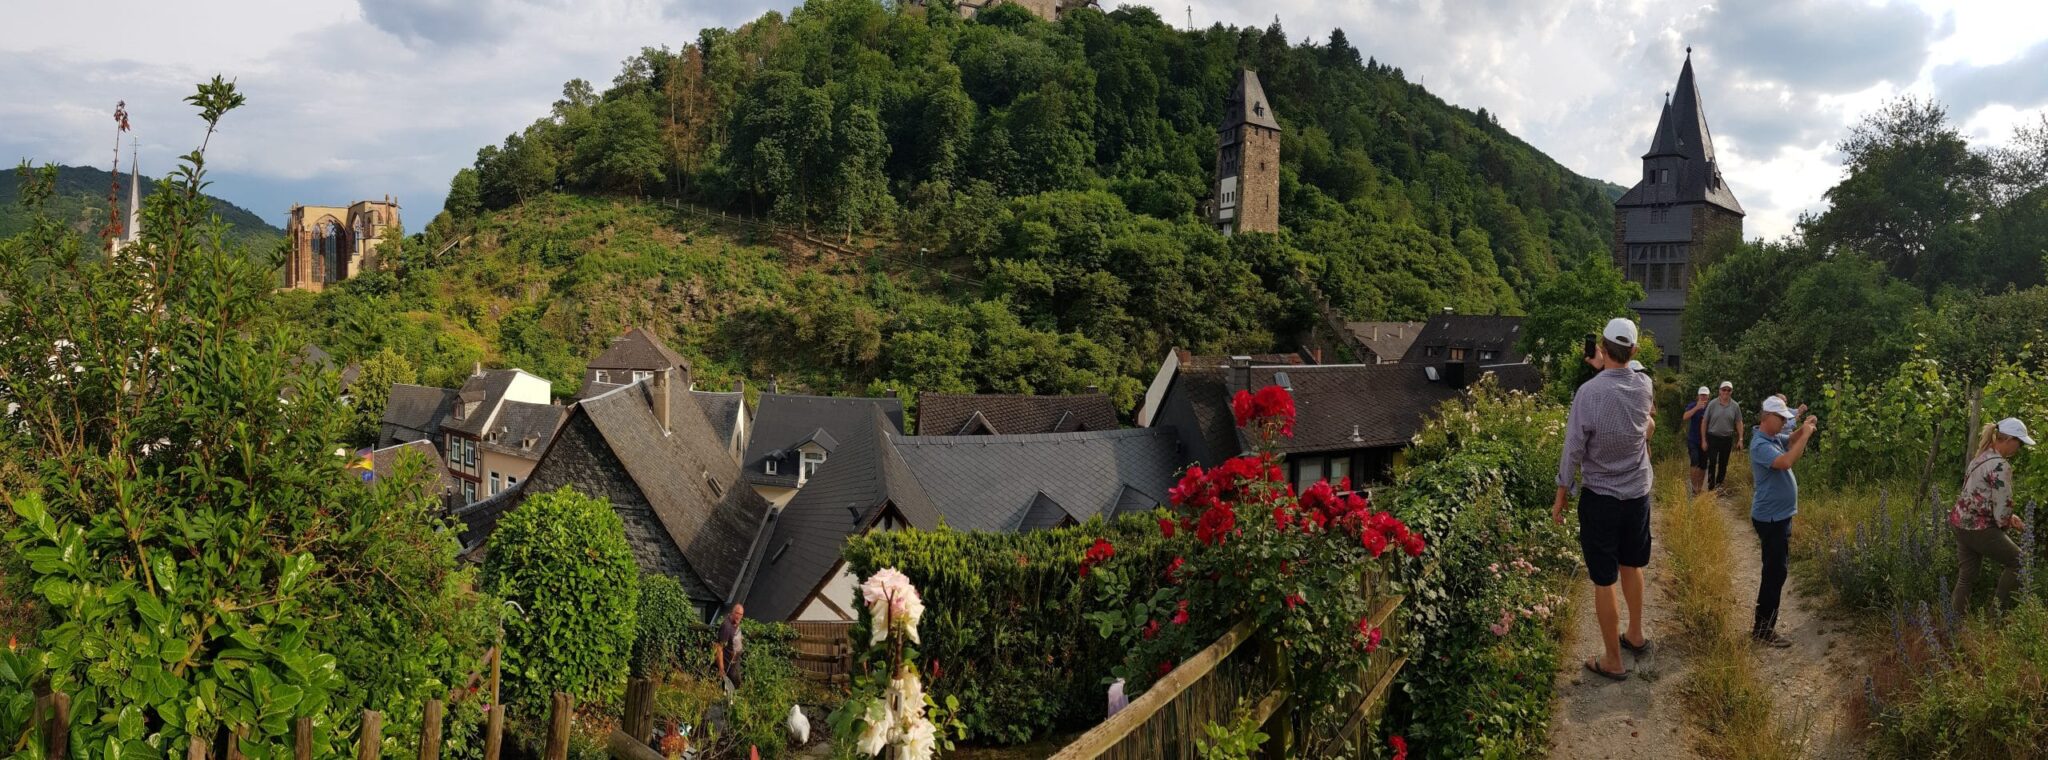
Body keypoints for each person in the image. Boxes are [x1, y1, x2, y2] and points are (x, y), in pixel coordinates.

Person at [1553, 317, 1656, 681]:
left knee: (1603, 579)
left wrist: (1561, 493)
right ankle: (1636, 635)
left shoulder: (1589, 394)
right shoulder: (1644, 385)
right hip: (1637, 495)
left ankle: (1613, 659)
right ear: (1634, 351)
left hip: (1601, 498)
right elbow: (1630, 394)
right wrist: (1606, 366)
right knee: (1632, 564)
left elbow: (1573, 448)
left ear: (1601, 345)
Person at [1949, 418, 2035, 615]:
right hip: (1979, 528)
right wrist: (2007, 523)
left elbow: (1979, 495)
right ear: (2009, 439)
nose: (2019, 448)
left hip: (1960, 522)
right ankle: (1995, 616)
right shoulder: (2000, 466)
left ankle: (1953, 624)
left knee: (1966, 577)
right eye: (2019, 443)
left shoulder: (1981, 457)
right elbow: (2002, 508)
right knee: (2019, 561)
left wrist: (2008, 516)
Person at [1749, 396, 1817, 648]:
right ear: (1767, 417)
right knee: (1774, 574)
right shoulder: (1759, 445)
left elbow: (1790, 440)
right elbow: (1786, 460)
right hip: (1771, 519)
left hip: (1779, 516)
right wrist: (1807, 435)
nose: (1784, 425)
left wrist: (1804, 427)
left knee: (1777, 571)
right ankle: (1763, 630)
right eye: (1782, 420)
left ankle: (1764, 627)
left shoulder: (1772, 437)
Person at [1703, 381, 1745, 491]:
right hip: (1713, 436)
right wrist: (1703, 439)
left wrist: (1740, 439)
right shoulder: (1712, 404)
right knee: (1712, 461)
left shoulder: (1735, 406)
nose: (1726, 392)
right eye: (1724, 389)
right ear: (1719, 391)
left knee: (1723, 463)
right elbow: (1705, 421)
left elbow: (1739, 422)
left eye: (1728, 390)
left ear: (1731, 392)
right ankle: (1711, 486)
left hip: (1727, 438)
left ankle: (1719, 485)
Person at [1682, 387, 1711, 496]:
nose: (1703, 397)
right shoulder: (1693, 405)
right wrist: (1696, 408)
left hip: (1706, 440)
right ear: (1698, 396)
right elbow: (1685, 417)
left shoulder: (1710, 407)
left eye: (1705, 395)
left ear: (1708, 396)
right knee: (1694, 461)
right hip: (1693, 439)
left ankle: (1699, 487)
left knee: (1703, 464)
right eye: (1701, 395)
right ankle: (1694, 488)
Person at [714, 604, 745, 691]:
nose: (739, 616)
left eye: (741, 614)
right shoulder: (726, 626)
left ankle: (732, 702)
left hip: (736, 661)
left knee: (737, 684)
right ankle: (729, 703)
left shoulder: (735, 622)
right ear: (732, 612)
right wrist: (721, 668)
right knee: (732, 687)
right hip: (729, 663)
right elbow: (719, 647)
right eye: (737, 613)